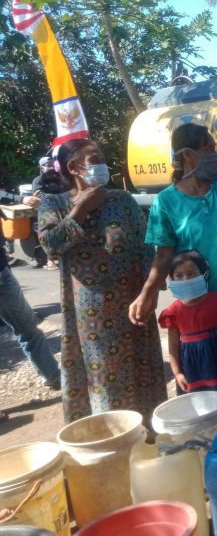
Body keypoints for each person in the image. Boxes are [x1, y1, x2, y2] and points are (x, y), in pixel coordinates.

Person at [38, 138, 166, 423]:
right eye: (94, 159)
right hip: (92, 314)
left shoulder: (122, 200)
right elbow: (51, 245)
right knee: (106, 378)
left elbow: (147, 246)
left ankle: (148, 437)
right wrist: (79, 209)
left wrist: (151, 292)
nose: (102, 165)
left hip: (135, 302)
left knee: (142, 371)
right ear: (73, 167)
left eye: (102, 158)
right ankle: (113, 439)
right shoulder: (55, 203)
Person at [129, 123, 217, 327]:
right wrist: (147, 294)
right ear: (188, 155)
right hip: (197, 301)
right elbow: (163, 255)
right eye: (209, 149)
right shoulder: (166, 201)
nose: (216, 155)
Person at [159, 250, 217, 428]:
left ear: (204, 275)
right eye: (178, 276)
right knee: (197, 403)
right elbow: (173, 347)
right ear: (171, 280)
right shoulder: (173, 312)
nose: (185, 279)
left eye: (191, 274)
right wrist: (177, 372)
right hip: (191, 366)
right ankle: (206, 438)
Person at [0, 215, 61, 390]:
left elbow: (7, 201)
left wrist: (22, 200)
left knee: (28, 327)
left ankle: (53, 376)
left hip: (2, 274)